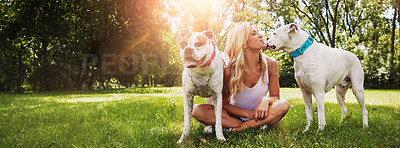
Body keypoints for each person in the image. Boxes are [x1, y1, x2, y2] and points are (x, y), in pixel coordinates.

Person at [192, 22, 290, 132]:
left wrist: (265, 100)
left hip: (262, 113)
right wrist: (248, 114)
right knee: (197, 110)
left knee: (283, 105)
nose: (261, 35)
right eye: (254, 34)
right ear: (243, 43)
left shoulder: (272, 64)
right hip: (234, 116)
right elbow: (224, 104)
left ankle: (235, 130)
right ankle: (255, 126)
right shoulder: (229, 70)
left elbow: (276, 97)